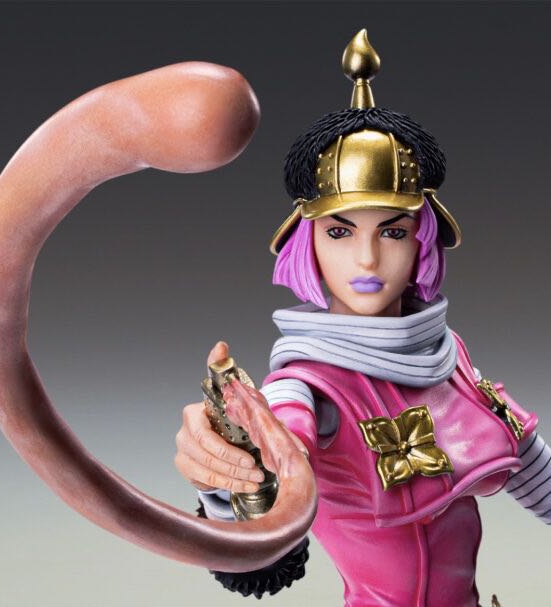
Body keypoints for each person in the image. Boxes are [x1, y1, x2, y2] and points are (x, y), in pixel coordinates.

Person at [174, 31, 551, 607]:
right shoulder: (306, 389)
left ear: (422, 239)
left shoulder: (446, 355)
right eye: (340, 232)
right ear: (308, 242)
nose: (368, 259)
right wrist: (228, 476)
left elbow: (526, 459)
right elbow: (270, 523)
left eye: (392, 231)